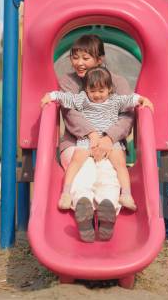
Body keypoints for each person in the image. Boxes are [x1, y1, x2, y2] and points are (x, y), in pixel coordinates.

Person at [54, 34, 136, 242]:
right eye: (75, 57)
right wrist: (91, 134)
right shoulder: (69, 82)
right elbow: (70, 112)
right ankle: (84, 208)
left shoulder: (117, 82)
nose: (79, 63)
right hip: (76, 142)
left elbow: (127, 114)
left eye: (86, 58)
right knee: (86, 168)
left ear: (99, 59)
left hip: (110, 142)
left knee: (107, 171)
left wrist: (108, 138)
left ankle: (108, 208)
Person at [42, 66, 153, 214]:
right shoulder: (83, 99)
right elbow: (66, 98)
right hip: (87, 141)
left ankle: (126, 195)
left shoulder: (115, 101)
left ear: (109, 89)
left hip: (110, 142)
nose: (97, 95)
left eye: (101, 91)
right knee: (76, 162)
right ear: (86, 89)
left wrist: (142, 99)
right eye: (92, 91)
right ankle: (66, 194)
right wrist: (51, 96)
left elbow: (130, 99)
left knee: (120, 165)